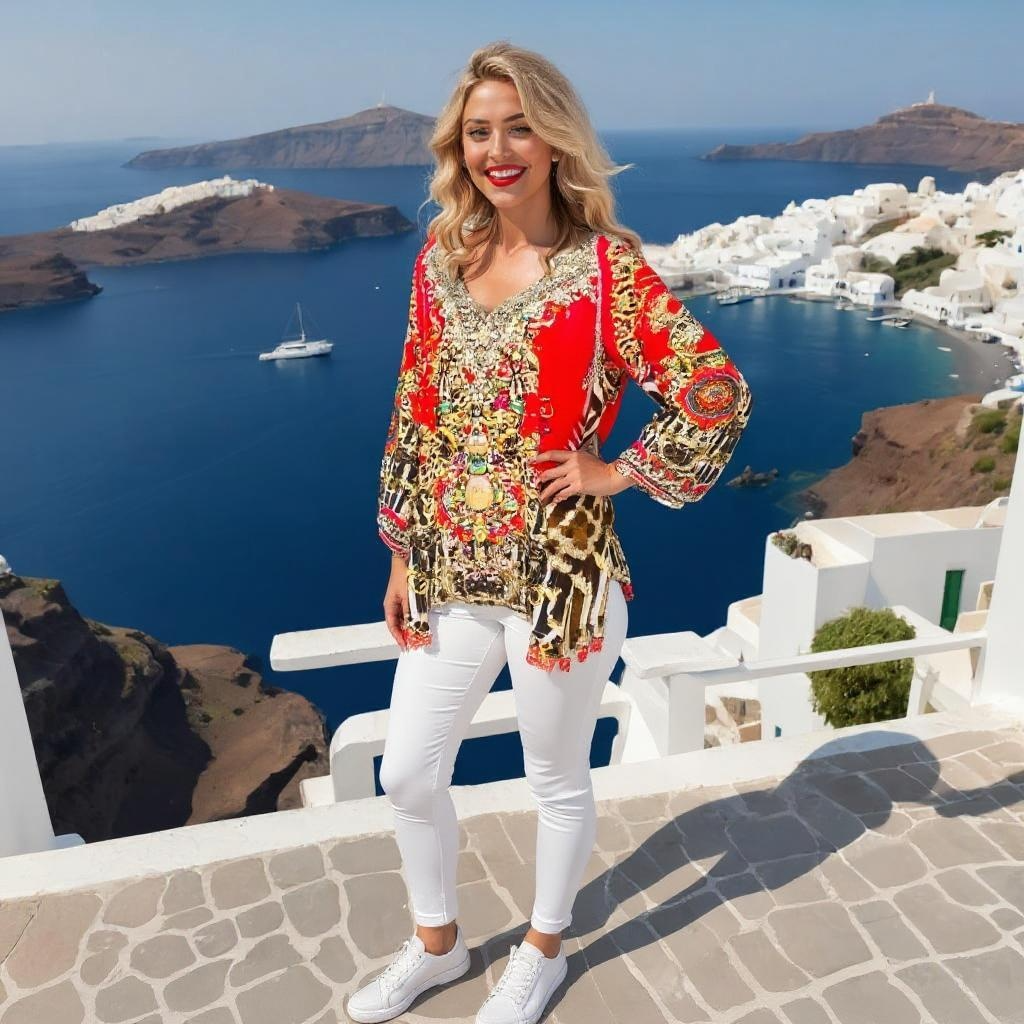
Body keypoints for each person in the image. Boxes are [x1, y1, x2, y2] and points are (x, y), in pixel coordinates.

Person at [345, 40, 754, 1024]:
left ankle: (542, 950)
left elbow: (715, 391)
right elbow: (413, 413)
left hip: (561, 577)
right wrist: (401, 550)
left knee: (554, 778)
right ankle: (438, 944)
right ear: (459, 148)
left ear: (555, 138)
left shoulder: (606, 271)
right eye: (479, 132)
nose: (498, 151)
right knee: (406, 773)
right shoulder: (441, 264)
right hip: (448, 565)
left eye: (519, 128)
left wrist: (617, 471)